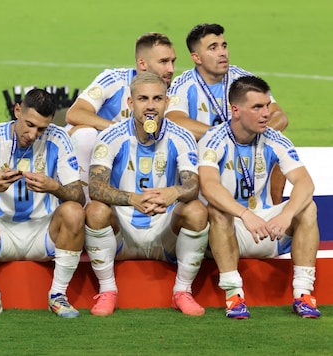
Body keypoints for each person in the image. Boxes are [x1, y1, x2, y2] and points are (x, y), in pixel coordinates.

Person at [84, 72, 209, 316]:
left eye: (157, 98)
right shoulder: (111, 136)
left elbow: (192, 187)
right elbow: (95, 186)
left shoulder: (182, 137)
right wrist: (133, 199)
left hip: (165, 231)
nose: (150, 105)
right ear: (130, 103)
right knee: (95, 210)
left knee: (196, 210)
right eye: (143, 98)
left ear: (167, 102)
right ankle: (108, 291)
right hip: (123, 232)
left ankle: (182, 292)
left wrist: (173, 192)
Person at [198, 76, 321, 319]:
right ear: (236, 110)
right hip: (231, 229)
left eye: (266, 106)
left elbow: (305, 183)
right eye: (257, 107)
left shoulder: (275, 139)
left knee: (308, 207)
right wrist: (245, 214)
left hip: (268, 227)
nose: (266, 113)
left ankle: (303, 294)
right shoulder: (213, 140)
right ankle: (234, 296)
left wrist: (286, 215)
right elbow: (209, 186)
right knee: (217, 210)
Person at [0, 88, 85, 319]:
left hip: (43, 234)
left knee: (74, 211)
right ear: (17, 110)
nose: (33, 134)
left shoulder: (59, 138)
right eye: (29, 124)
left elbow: (79, 197)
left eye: (41, 129)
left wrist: (54, 187)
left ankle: (58, 295)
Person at [166, 23, 288, 204]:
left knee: (279, 147)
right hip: (206, 156)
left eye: (224, 46)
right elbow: (174, 120)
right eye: (213, 48)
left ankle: (273, 210)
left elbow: (279, 117)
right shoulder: (184, 84)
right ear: (196, 57)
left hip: (246, 149)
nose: (222, 52)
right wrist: (224, 138)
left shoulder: (242, 79)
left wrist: (247, 134)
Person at [65, 32, 176, 197]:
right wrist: (122, 131)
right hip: (100, 157)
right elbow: (75, 113)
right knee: (85, 135)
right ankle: (81, 205)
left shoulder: (173, 92)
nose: (171, 69)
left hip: (133, 161)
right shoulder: (114, 80)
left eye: (173, 61)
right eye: (163, 62)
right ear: (142, 63)